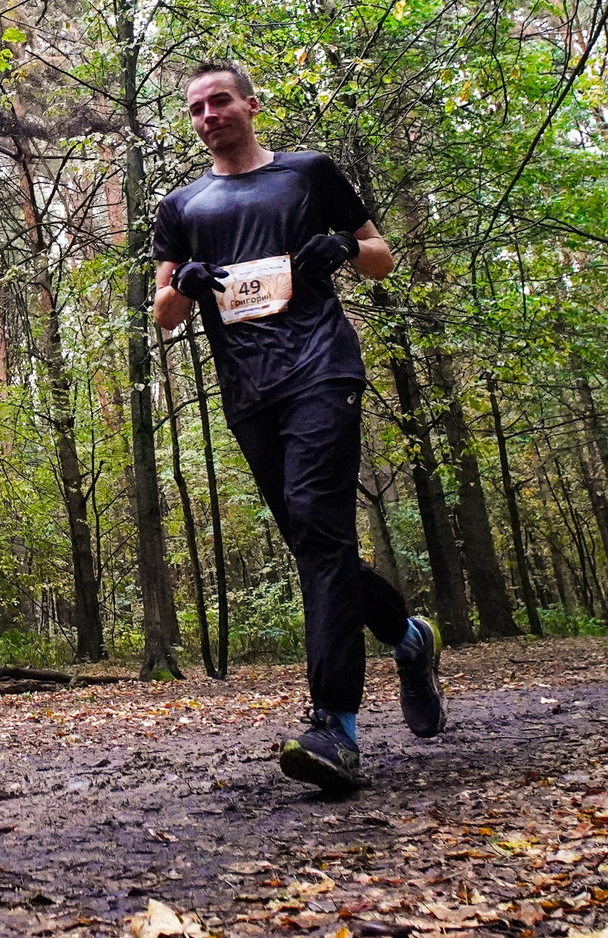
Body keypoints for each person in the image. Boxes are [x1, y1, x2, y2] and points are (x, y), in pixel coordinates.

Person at [150, 61, 446, 796]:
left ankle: (335, 727)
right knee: (315, 542)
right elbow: (164, 312)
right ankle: (409, 638)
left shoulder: (309, 174)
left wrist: (344, 247)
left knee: (318, 524)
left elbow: (381, 258)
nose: (209, 115)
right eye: (196, 108)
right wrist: (183, 284)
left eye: (220, 100)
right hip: (248, 391)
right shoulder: (181, 205)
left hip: (322, 369)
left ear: (251, 105)